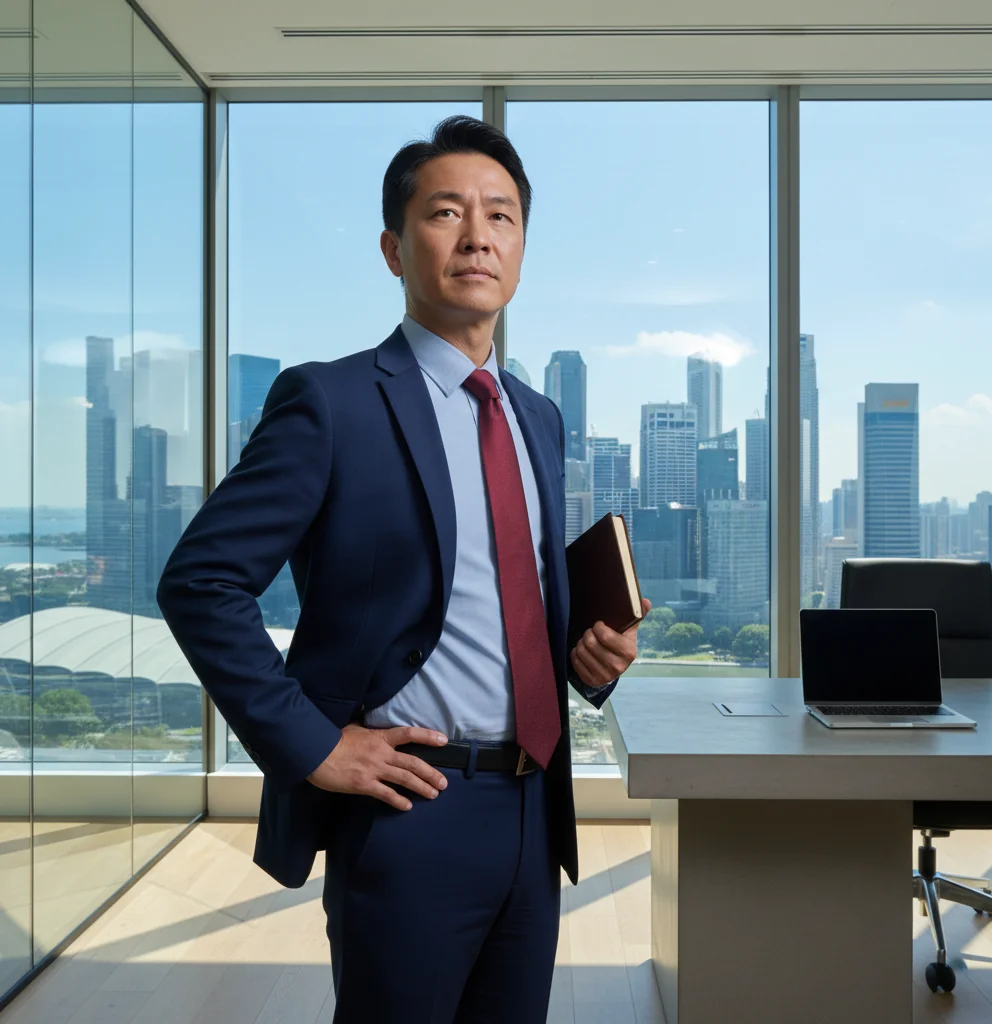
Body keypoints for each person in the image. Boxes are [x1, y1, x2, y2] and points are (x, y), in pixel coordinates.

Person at [156, 114, 650, 1024]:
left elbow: (505, 593)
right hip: (411, 811)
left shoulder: (536, 416)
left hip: (538, 809)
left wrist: (586, 655)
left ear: (522, 245)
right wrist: (312, 745)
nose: (477, 236)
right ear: (394, 247)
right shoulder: (331, 401)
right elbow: (199, 582)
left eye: (500, 217)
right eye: (446, 213)